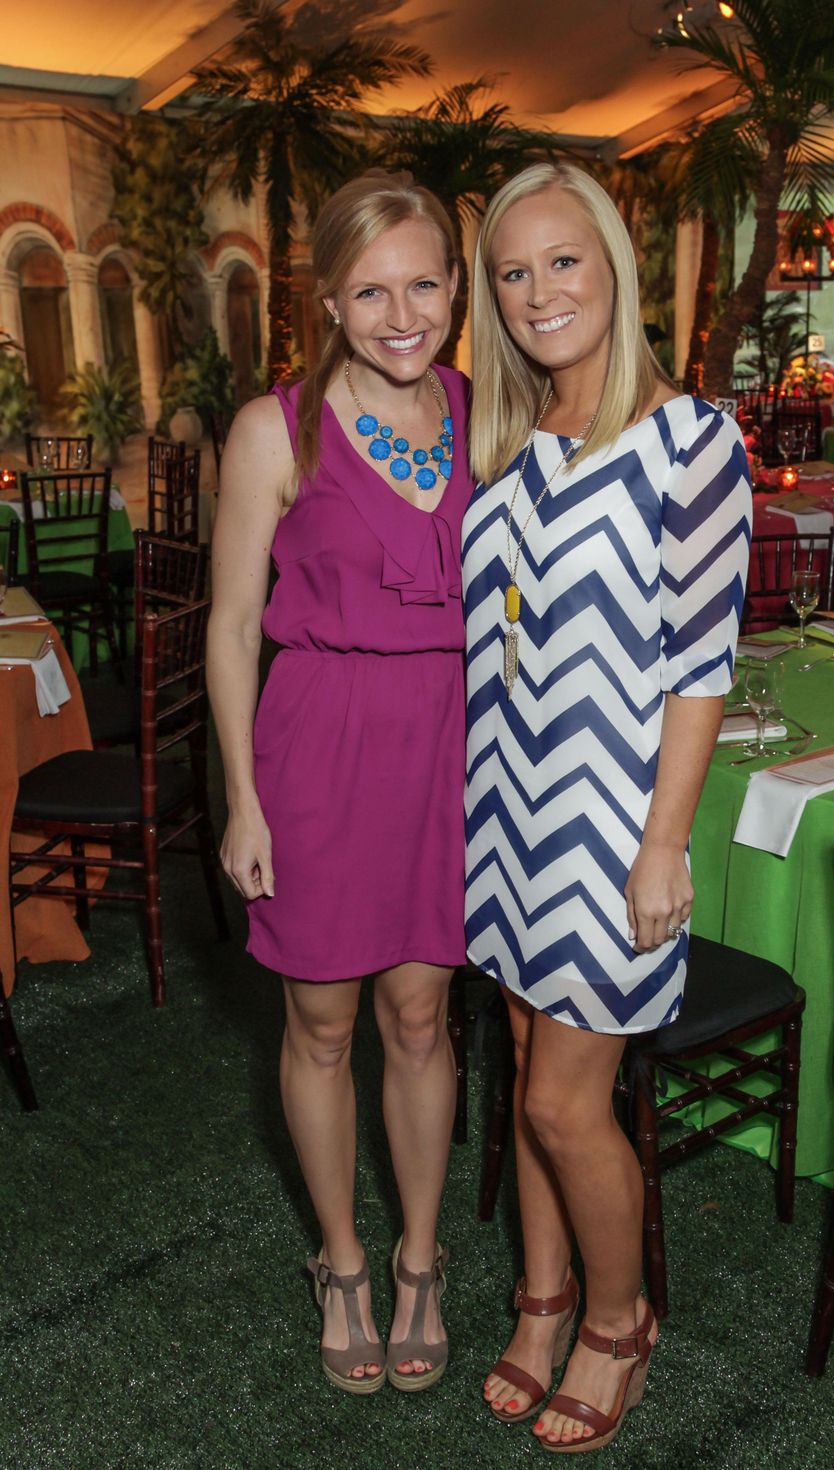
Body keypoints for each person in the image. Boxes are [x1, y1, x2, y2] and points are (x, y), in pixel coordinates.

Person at [462, 163, 751, 1451]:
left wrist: (660, 848)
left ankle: (618, 1322)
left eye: (562, 261)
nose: (539, 293)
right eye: (513, 273)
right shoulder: (511, 446)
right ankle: (539, 1301)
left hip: (607, 823)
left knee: (562, 1104)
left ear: (614, 267)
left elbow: (698, 665)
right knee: (523, 1071)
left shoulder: (690, 444)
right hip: (503, 809)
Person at [207, 170, 472, 1395]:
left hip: (452, 746)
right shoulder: (277, 426)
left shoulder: (488, 412)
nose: (400, 312)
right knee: (320, 1026)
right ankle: (343, 1262)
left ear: (457, 287)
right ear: (328, 298)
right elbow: (229, 624)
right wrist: (242, 802)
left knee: (420, 1018)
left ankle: (421, 1260)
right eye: (371, 290)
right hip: (317, 742)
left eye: (423, 282)